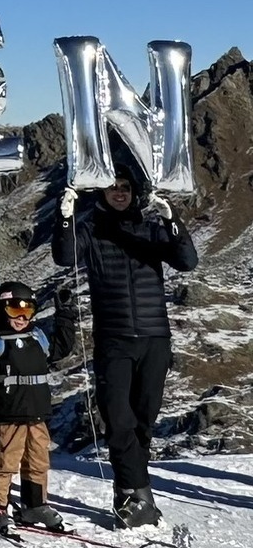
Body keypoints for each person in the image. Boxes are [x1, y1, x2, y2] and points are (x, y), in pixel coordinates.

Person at [52, 167, 198, 528]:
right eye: (112, 187)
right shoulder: (91, 230)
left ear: (135, 192)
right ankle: (136, 493)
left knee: (144, 420)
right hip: (114, 340)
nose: (119, 193)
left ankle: (130, 491)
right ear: (100, 193)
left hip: (154, 338)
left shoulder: (150, 230)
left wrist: (171, 219)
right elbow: (64, 256)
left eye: (126, 188)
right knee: (119, 419)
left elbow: (187, 261)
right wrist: (65, 217)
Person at [0, 280, 78, 533]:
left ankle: (34, 505)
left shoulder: (38, 338)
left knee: (38, 461)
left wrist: (65, 313)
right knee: (6, 462)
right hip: (10, 414)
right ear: (1, 310)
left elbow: (63, 347)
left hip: (37, 414)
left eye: (28, 310)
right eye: (14, 310)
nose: (22, 317)